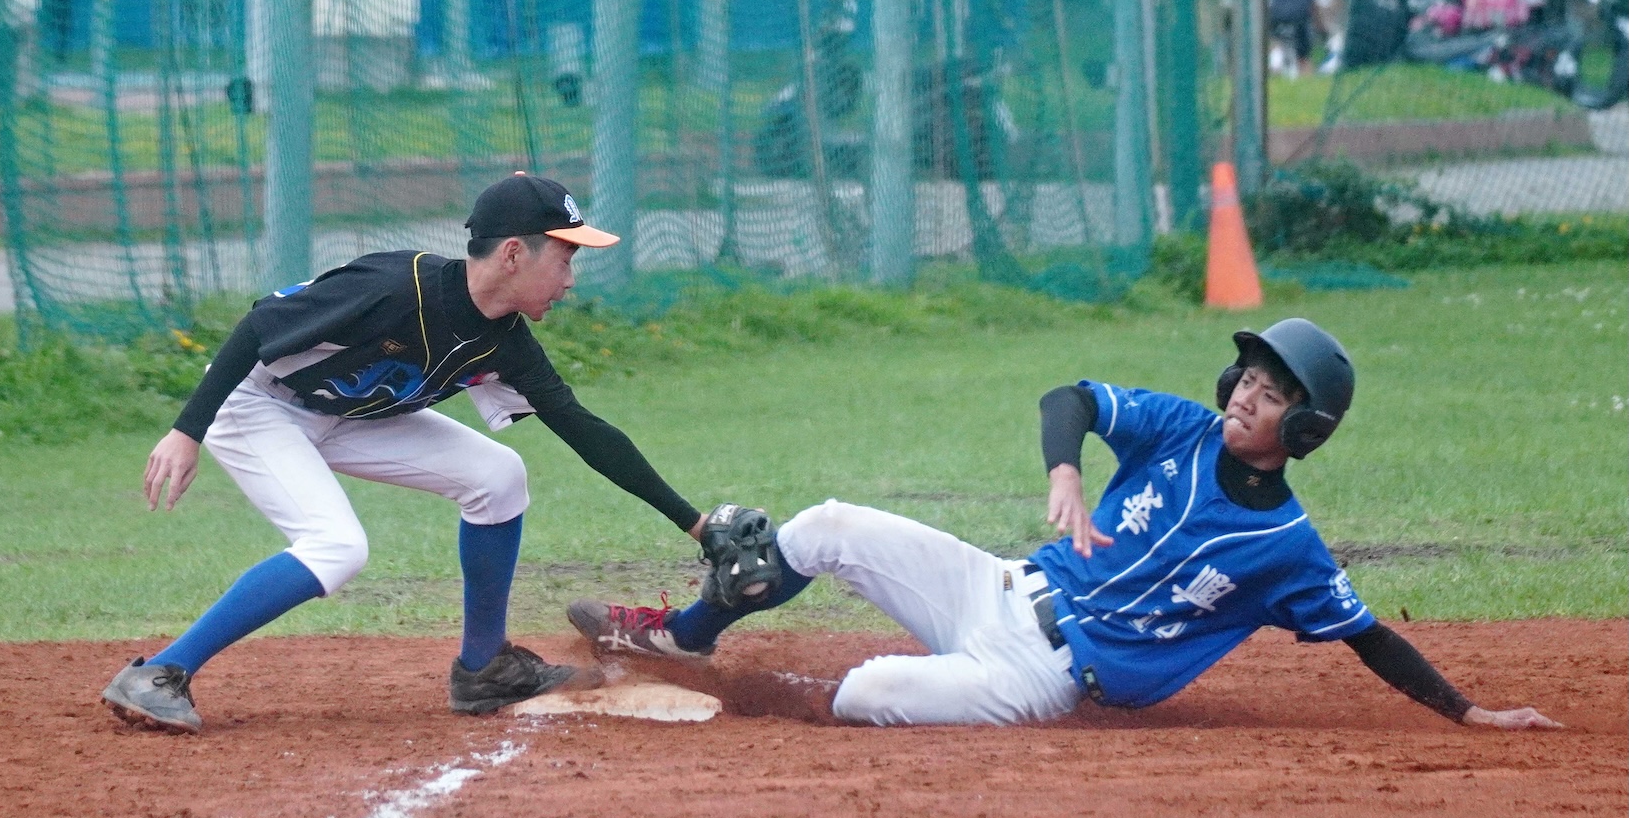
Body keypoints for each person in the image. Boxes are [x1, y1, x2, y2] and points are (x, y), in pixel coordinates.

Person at [567, 319, 1560, 731]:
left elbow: (1365, 635)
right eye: (1246, 379)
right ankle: (682, 636)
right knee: (825, 523)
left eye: (1270, 392)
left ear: (1304, 428)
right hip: (996, 584)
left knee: (870, 690)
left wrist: (1466, 711)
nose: (1246, 395)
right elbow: (1067, 397)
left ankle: (767, 693)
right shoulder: (1179, 429)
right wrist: (1064, 470)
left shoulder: (1285, 550)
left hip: (1037, 675)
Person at [102, 174, 708, 734]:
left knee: (499, 477)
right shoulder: (396, 287)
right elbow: (258, 329)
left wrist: (696, 523)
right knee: (337, 547)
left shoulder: (507, 342)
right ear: (514, 253)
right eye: (565, 257)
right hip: (259, 405)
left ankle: (484, 669)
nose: (571, 279)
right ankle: (160, 671)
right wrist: (188, 430)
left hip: (347, 414)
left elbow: (583, 430)